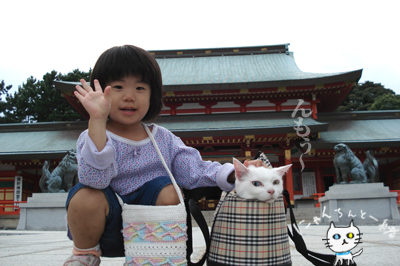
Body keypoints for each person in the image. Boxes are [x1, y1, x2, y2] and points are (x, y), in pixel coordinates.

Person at [63, 45, 264, 266]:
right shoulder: (91, 135)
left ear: (153, 95)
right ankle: (84, 255)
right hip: (105, 227)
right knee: (85, 195)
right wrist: (97, 122)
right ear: (100, 92)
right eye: (118, 87)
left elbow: (193, 169)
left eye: (140, 88)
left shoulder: (163, 139)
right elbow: (95, 181)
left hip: (154, 230)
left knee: (169, 190)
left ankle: (155, 260)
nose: (129, 96)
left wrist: (237, 174)